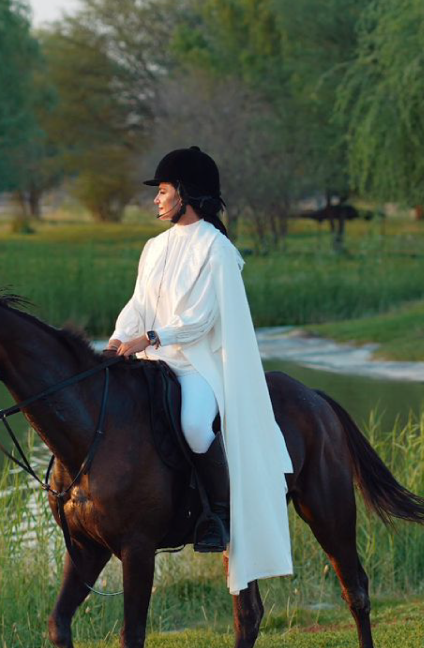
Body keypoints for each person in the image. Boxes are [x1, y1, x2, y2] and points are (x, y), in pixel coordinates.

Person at [106, 146, 294, 593]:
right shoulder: (153, 247)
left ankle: (219, 515)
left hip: (197, 365)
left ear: (185, 194)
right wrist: (118, 339)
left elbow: (202, 319)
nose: (156, 199)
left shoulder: (217, 248)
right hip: (153, 361)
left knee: (193, 425)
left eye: (164, 191)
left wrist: (149, 339)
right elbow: (139, 304)